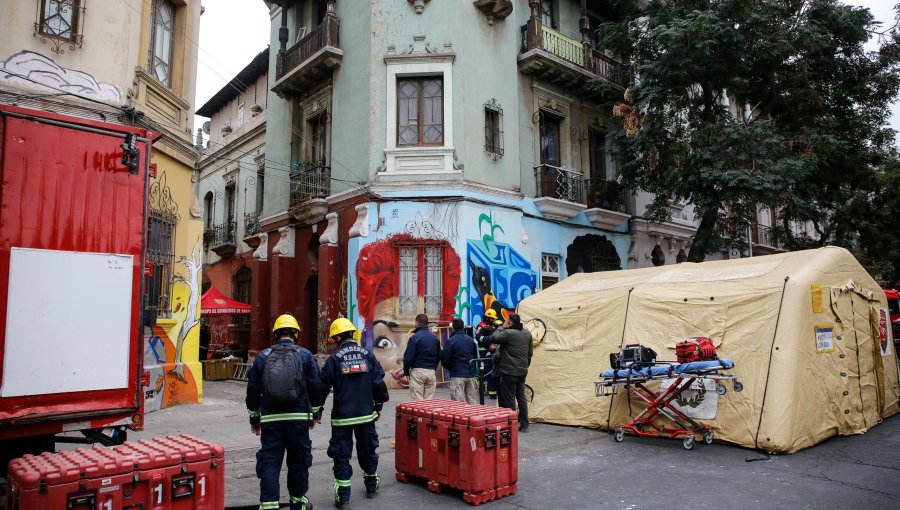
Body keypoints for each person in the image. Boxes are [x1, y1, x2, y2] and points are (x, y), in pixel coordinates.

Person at [246, 314, 323, 510]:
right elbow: (316, 385)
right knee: (298, 461)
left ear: (276, 334)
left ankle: (269, 505)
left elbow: (253, 389)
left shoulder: (262, 356)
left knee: (270, 461)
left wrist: (254, 418)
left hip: (271, 419)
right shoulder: (305, 355)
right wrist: (315, 413)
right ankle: (298, 503)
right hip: (297, 418)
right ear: (296, 333)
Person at [320, 318, 390, 509]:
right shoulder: (367, 354)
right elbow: (378, 382)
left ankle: (343, 497)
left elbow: (322, 387)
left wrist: (316, 410)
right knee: (368, 449)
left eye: (334, 338)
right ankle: (370, 485)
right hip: (366, 415)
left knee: (342, 455)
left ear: (338, 337)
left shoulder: (334, 359)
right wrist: (379, 406)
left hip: (342, 417)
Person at [490, 313, 533, 432]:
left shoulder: (508, 333)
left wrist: (502, 327)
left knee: (509, 400)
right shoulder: (527, 333)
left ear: (509, 322)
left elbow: (493, 337)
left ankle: (511, 425)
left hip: (509, 372)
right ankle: (524, 425)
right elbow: (530, 353)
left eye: (506, 320)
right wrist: (524, 367)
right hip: (522, 371)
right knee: (521, 398)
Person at [441, 318, 479, 404]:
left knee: (458, 402)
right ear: (463, 327)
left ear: (453, 328)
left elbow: (445, 360)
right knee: (472, 400)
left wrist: (451, 368)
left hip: (457, 374)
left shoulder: (451, 341)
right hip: (470, 374)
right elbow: (475, 356)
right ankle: (473, 417)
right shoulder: (471, 340)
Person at [402, 313, 440, 400]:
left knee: (418, 403)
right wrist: (433, 368)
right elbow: (438, 356)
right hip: (431, 372)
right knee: (428, 402)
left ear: (417, 323)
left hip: (418, 371)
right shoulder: (435, 338)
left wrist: (406, 372)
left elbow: (408, 358)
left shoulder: (414, 338)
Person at [475, 309, 503, 399]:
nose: (493, 320)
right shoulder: (481, 326)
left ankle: (492, 391)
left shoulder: (493, 326)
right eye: (492, 318)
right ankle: (482, 390)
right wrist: (490, 338)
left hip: (493, 351)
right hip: (484, 351)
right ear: (487, 317)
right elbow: (478, 337)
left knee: (492, 371)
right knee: (483, 371)